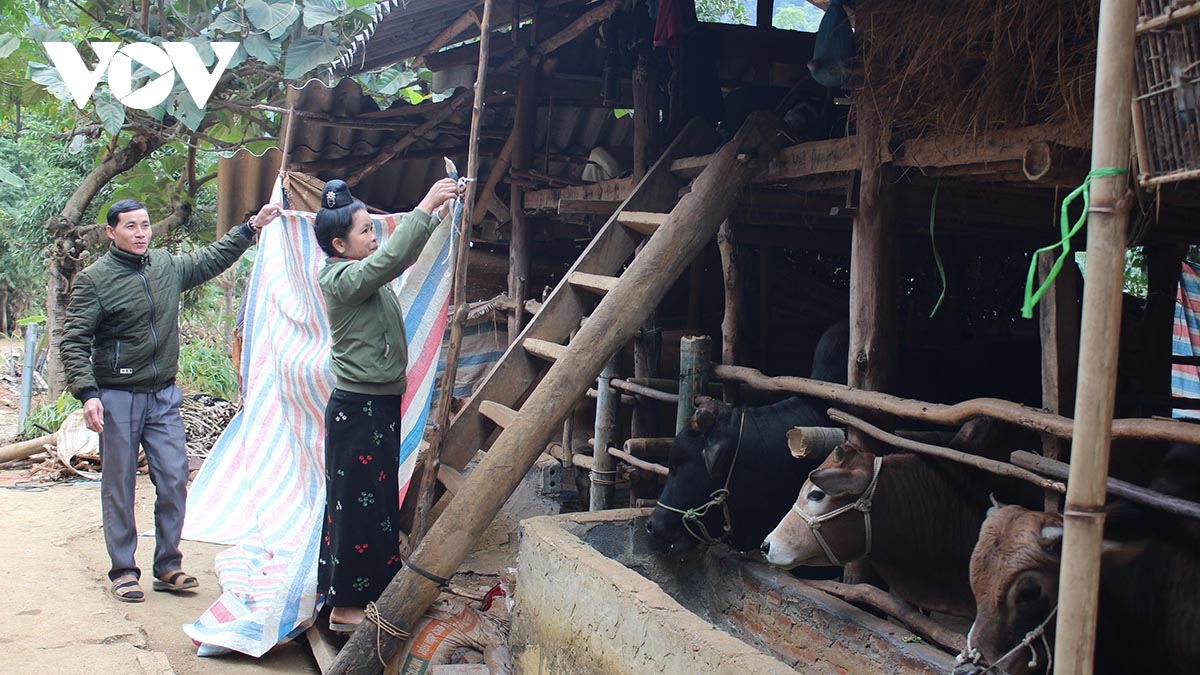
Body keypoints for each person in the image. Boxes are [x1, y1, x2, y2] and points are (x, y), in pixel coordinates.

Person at [60, 199, 282, 603]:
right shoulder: (94, 280)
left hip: (162, 394)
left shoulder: (164, 266)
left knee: (175, 478)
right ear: (112, 233)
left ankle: (168, 565)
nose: (141, 232)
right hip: (118, 395)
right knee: (119, 485)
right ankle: (124, 570)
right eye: (131, 226)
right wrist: (88, 393)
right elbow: (74, 341)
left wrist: (250, 228)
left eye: (145, 225)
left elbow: (210, 259)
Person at [314, 177, 458, 631]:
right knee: (356, 505)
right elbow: (392, 260)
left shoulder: (362, 280)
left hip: (374, 409)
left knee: (374, 501)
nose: (374, 238)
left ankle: (373, 589)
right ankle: (345, 608)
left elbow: (388, 260)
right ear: (339, 244)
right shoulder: (340, 278)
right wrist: (426, 205)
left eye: (373, 230)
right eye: (365, 232)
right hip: (358, 409)